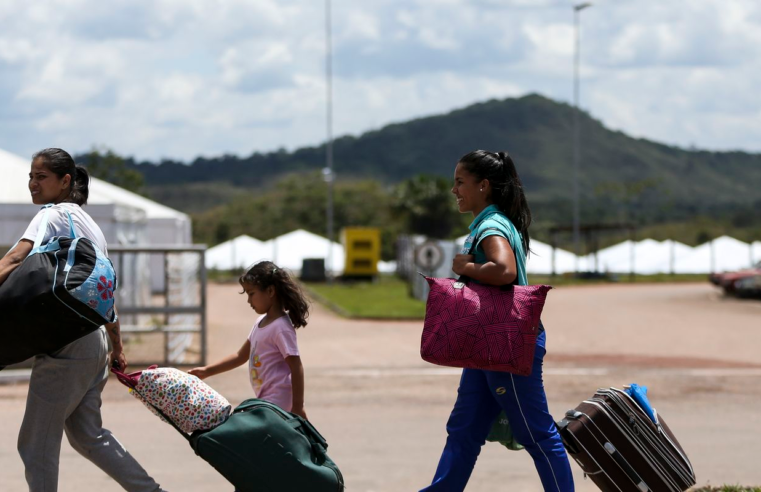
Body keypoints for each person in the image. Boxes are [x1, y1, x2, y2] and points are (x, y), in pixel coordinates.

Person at [0, 148, 167, 491]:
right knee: (88, 435)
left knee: (34, 444)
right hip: (93, 341)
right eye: (31, 176)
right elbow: (101, 290)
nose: (33, 184)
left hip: (68, 345)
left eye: (41, 177)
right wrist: (116, 344)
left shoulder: (52, 214)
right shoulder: (91, 226)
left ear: (65, 181)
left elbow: (14, 259)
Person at [420, 150, 574, 492]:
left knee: (536, 433)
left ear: (484, 186)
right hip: (485, 344)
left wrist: (466, 268)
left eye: (460, 182)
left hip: (505, 343)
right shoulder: (492, 222)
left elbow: (504, 271)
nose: (454, 190)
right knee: (463, 429)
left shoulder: (491, 225)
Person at [189, 261, 309, 419]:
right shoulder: (260, 322)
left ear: (271, 291)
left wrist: (298, 407)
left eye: (251, 294)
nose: (248, 301)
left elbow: (296, 366)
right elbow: (240, 356)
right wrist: (206, 371)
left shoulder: (281, 327)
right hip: (266, 400)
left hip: (279, 401)